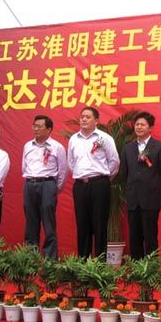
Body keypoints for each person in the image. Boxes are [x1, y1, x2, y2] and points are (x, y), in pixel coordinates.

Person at [67, 106, 120, 257]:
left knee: (99, 223)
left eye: (88, 117)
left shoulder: (104, 138)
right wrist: (81, 175)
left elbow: (114, 162)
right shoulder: (74, 139)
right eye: (82, 116)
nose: (83, 119)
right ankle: (83, 261)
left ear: (96, 121)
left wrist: (103, 178)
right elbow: (71, 162)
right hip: (80, 185)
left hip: (99, 184)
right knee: (82, 223)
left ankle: (100, 263)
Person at [120, 111, 161, 259]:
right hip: (133, 199)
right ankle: (137, 267)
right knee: (134, 236)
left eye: (142, 125)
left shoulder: (160, 147)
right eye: (137, 124)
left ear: (150, 128)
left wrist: (154, 190)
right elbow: (124, 173)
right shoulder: (127, 148)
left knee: (150, 237)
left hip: (151, 199)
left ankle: (151, 268)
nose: (139, 127)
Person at [21, 115, 67, 258]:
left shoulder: (57, 147)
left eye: (39, 126)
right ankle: (31, 258)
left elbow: (62, 171)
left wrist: (54, 188)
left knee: (48, 223)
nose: (36, 129)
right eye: (34, 126)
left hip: (47, 184)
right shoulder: (28, 146)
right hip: (30, 183)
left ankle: (49, 259)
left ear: (49, 129)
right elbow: (24, 167)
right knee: (31, 222)